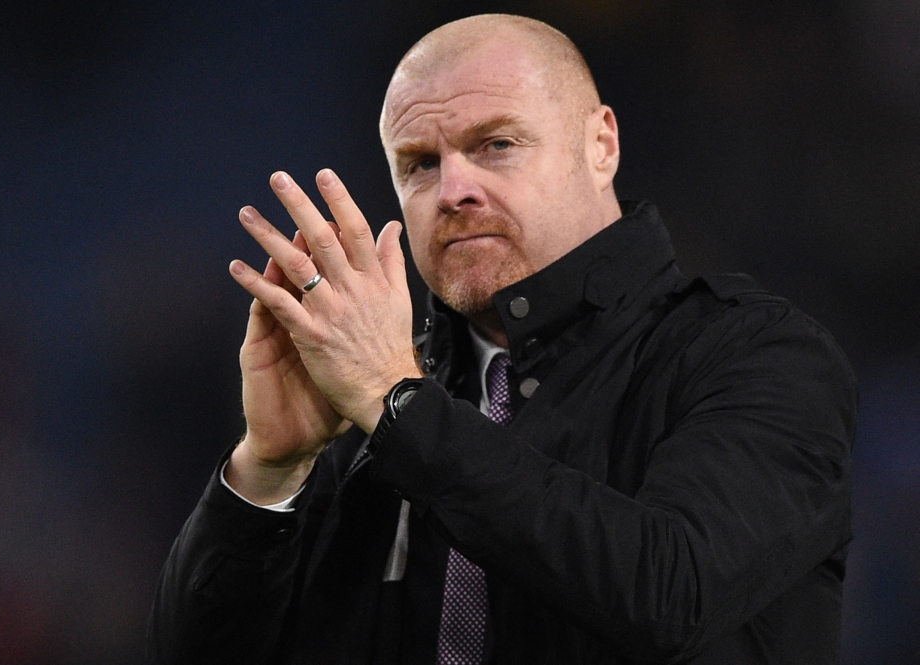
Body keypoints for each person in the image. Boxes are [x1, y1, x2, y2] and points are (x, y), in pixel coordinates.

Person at [148, 14, 856, 665]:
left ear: (600, 144)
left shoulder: (760, 357)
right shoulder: (364, 402)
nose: (455, 187)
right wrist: (267, 474)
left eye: (497, 144)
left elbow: (669, 595)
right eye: (420, 163)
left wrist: (402, 407)